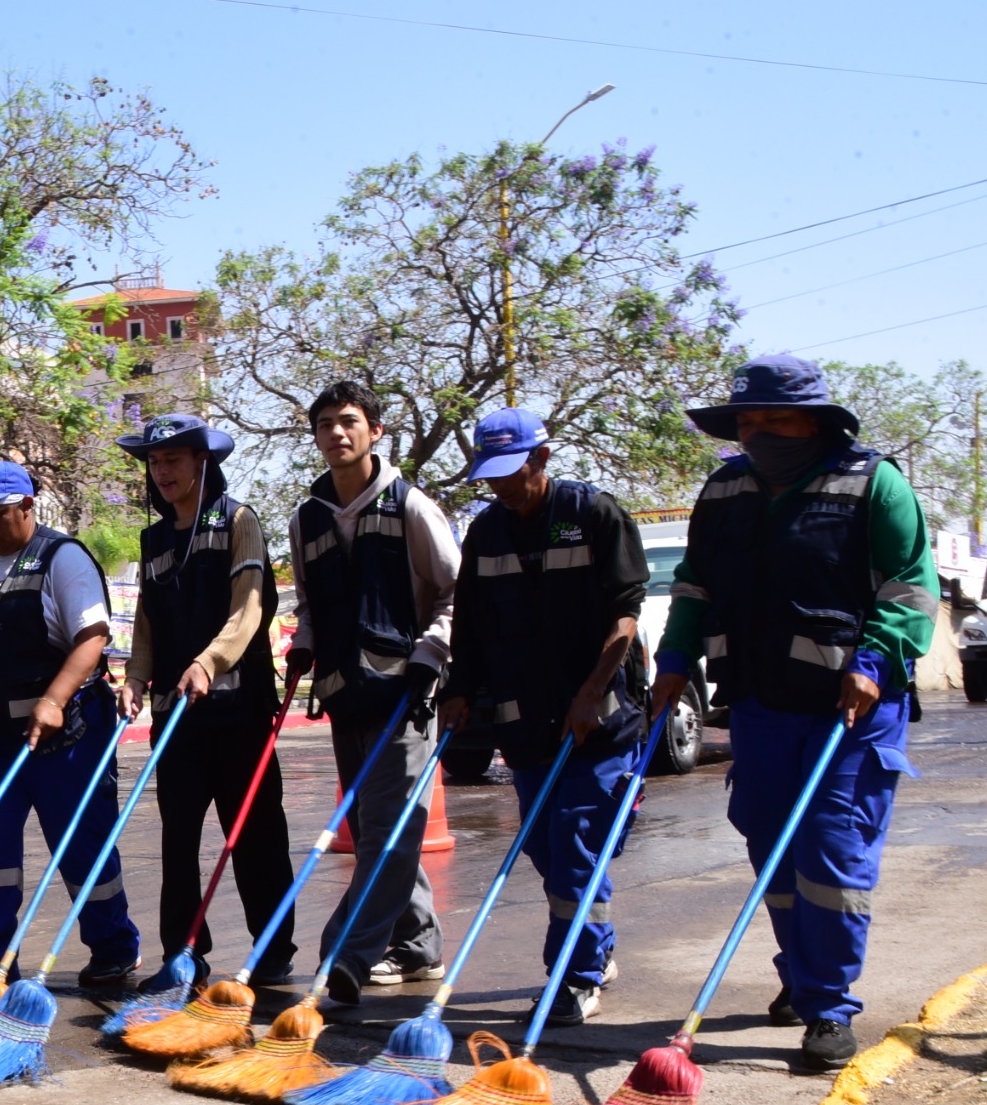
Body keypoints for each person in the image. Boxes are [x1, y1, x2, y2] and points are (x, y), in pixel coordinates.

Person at [651, 354, 938, 1072]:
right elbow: (695, 584)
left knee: (833, 853)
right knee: (770, 843)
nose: (758, 433)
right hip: (759, 700)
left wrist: (875, 660)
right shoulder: (725, 489)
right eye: (746, 422)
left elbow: (909, 588)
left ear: (815, 422)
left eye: (773, 419)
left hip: (850, 708)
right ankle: (802, 972)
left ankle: (829, 1006)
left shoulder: (875, 483)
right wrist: (674, 657)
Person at [438, 407, 649, 1026]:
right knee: (545, 847)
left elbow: (625, 616)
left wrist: (590, 692)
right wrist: (458, 690)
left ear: (542, 458)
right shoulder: (485, 533)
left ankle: (573, 977)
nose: (500, 485)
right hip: (526, 726)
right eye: (489, 474)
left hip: (596, 722)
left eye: (511, 471)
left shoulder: (593, 514)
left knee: (575, 843)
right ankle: (595, 947)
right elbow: (471, 625)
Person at [0, 461, 140, 996]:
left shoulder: (62, 558)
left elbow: (92, 637)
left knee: (81, 846)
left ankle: (113, 950)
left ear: (27, 506)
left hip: (64, 738)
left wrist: (53, 699)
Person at [284, 380, 461, 1002]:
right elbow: (309, 603)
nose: (336, 432)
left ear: (375, 431)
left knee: (389, 831)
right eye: (325, 423)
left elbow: (456, 592)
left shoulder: (411, 506)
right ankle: (418, 947)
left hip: (404, 698)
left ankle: (346, 957)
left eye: (349, 421)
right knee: (372, 830)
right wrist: (303, 644)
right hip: (344, 696)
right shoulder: (306, 518)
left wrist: (431, 653)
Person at [117, 412, 292, 990]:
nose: (162, 470)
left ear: (201, 461)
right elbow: (146, 625)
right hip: (177, 718)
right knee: (178, 839)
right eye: (154, 461)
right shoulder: (153, 539)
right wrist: (136, 678)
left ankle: (272, 950)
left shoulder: (239, 520)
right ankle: (183, 954)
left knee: (255, 834)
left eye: (173, 458)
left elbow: (249, 608)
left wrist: (209, 661)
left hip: (240, 713)